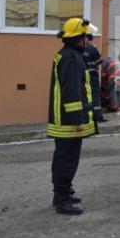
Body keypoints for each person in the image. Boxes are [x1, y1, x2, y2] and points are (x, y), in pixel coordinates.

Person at [48, 18, 98, 215]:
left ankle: (63, 192)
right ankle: (62, 200)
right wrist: (77, 119)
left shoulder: (68, 55)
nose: (88, 40)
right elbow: (71, 91)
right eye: (86, 36)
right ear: (79, 38)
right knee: (66, 160)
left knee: (65, 157)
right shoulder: (71, 58)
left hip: (65, 119)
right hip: (68, 122)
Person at [83, 24, 106, 123]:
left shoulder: (76, 49)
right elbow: (100, 61)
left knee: (84, 97)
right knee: (95, 96)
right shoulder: (92, 48)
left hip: (82, 77)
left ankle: (87, 117)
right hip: (92, 76)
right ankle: (97, 117)